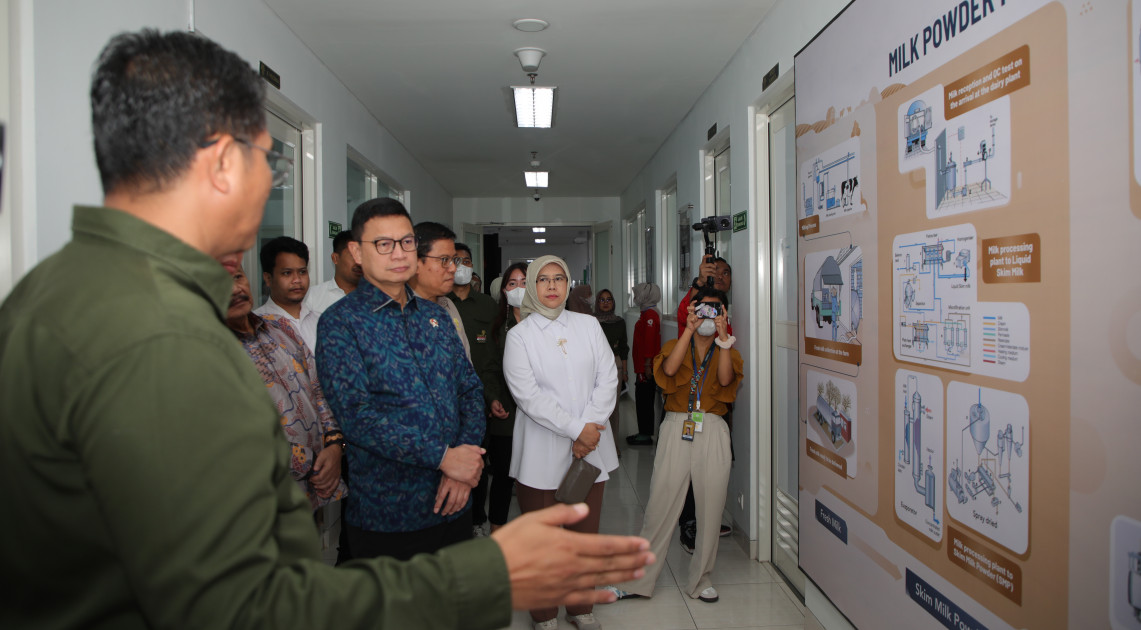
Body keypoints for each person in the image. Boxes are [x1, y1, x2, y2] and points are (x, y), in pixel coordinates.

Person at [0, 29, 652, 629]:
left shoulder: (60, 293)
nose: (269, 183)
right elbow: (249, 605)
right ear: (222, 162)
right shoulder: (160, 336)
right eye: (268, 162)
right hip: (386, 513)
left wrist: (465, 462)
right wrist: (494, 572)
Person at [317, 198, 485, 560]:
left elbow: (470, 391)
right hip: (390, 516)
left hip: (455, 501)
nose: (399, 253)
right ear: (356, 252)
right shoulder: (341, 323)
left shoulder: (435, 316)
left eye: (407, 242)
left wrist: (462, 463)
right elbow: (357, 417)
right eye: (384, 244)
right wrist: (443, 457)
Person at [605, 287, 743, 605]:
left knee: (711, 509)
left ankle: (702, 578)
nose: (708, 315)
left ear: (724, 315)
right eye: (702, 308)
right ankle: (639, 580)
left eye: (715, 310)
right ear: (691, 311)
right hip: (677, 425)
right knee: (660, 505)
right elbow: (668, 371)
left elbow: (725, 381)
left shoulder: (730, 352)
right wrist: (689, 331)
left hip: (713, 428)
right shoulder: (674, 345)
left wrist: (723, 338)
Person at [504, 255, 620, 630]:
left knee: (584, 536)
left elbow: (608, 378)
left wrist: (590, 428)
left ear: (568, 284)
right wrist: (577, 430)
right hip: (541, 451)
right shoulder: (519, 336)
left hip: (592, 448)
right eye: (543, 279)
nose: (552, 285)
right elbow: (528, 396)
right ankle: (544, 615)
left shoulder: (588, 325)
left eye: (559, 278)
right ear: (532, 287)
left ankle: (580, 608)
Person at [224, 261, 347, 512]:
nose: (235, 289)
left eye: (237, 277)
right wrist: (314, 464)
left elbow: (318, 390)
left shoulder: (281, 328)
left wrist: (335, 445)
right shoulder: (208, 354)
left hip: (317, 489)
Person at [676, 256, 735, 549]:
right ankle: (688, 522)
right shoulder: (696, 307)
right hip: (687, 405)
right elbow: (683, 315)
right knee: (688, 467)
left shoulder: (725, 315)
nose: (720, 276)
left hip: (715, 404)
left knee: (713, 467)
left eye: (726, 272)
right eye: (716, 271)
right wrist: (698, 283)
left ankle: (706, 519)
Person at [447, 241, 502, 537]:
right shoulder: (437, 302)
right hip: (446, 401)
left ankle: (476, 520)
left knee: (476, 461)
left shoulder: (487, 305)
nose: (461, 266)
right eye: (455, 260)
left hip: (479, 398)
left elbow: (494, 357)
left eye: (466, 261)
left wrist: (491, 396)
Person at [484, 262, 529, 533]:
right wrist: (492, 398)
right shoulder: (497, 327)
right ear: (504, 290)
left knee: (534, 479)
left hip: (541, 417)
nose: (518, 288)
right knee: (503, 475)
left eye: (524, 282)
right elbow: (489, 369)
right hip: (506, 413)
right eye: (512, 283)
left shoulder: (545, 324)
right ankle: (497, 532)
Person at [410, 221, 471, 360]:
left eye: (454, 260)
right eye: (444, 259)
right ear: (416, 262)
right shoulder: (396, 312)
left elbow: (465, 361)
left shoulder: (448, 306)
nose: (453, 268)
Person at [255, 235, 320, 351]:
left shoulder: (321, 321)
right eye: (287, 273)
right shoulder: (256, 326)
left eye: (302, 272)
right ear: (268, 278)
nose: (297, 280)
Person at [626, 282, 662, 446]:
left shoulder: (650, 315)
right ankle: (643, 432)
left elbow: (649, 341)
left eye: (637, 294)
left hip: (646, 367)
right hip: (642, 366)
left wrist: (647, 365)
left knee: (644, 401)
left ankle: (645, 435)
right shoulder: (647, 313)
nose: (635, 297)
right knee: (642, 399)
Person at [594, 289, 629, 456]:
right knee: (596, 406)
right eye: (602, 300)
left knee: (613, 408)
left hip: (615, 365)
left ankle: (614, 445)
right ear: (597, 303)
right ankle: (596, 444)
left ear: (613, 302)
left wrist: (625, 371)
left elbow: (623, 347)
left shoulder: (619, 322)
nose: (605, 303)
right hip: (595, 366)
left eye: (609, 299)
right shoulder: (591, 321)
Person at [305, 229, 363, 315]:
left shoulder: (376, 297)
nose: (359, 262)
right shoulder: (312, 297)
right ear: (335, 258)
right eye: (353, 256)